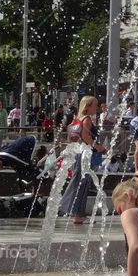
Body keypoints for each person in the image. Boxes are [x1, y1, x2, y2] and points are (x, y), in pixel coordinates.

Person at [59, 96, 106, 225]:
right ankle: (76, 213)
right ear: (87, 107)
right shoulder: (86, 120)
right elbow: (85, 136)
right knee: (82, 184)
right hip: (85, 154)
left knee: (79, 182)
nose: (96, 108)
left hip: (78, 153)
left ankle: (77, 213)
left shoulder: (77, 119)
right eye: (94, 106)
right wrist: (98, 147)